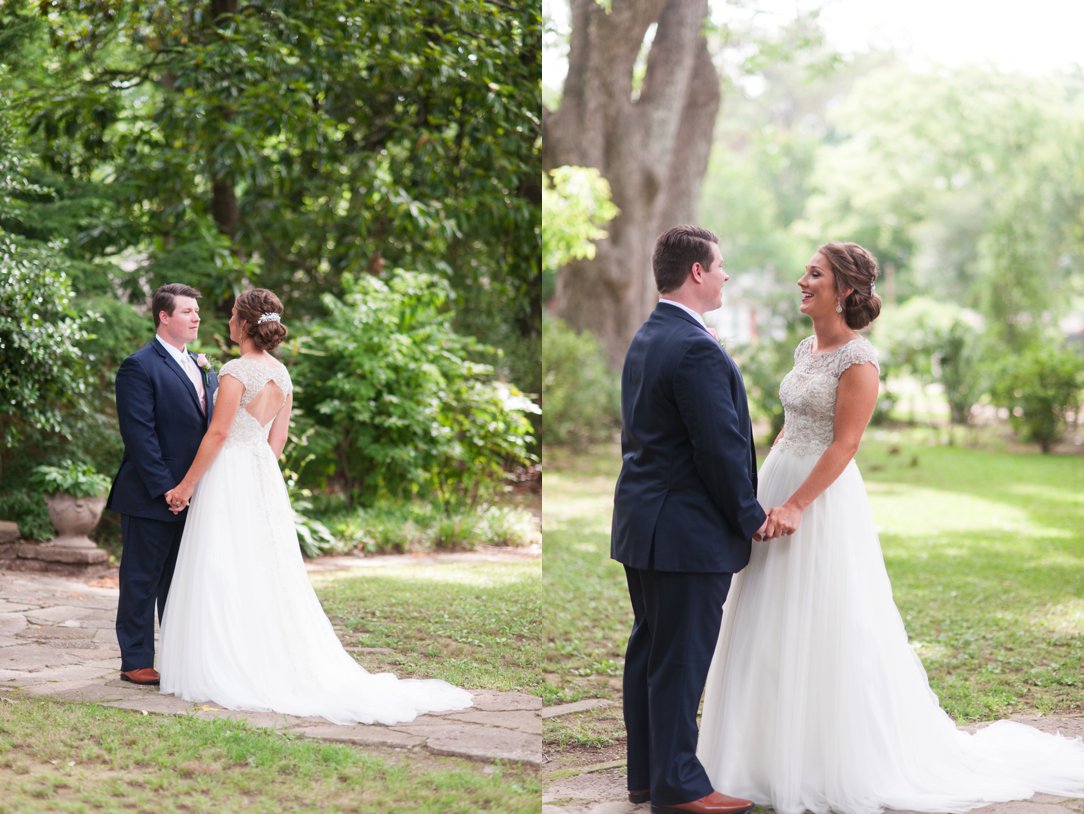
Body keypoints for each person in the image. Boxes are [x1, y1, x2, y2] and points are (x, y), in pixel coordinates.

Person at [697, 242, 1084, 813]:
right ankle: (753, 754)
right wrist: (763, 492)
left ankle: (824, 758)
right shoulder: (807, 348)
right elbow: (790, 425)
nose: (802, 280)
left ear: (844, 290)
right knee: (764, 615)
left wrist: (798, 504)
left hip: (820, 499)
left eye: (815, 274)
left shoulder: (859, 361)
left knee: (823, 619)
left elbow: (846, 444)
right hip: (777, 485)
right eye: (806, 271)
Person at [157, 288, 473, 724]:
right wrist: (259, 479)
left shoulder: (234, 371)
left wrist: (187, 486)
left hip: (228, 474)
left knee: (222, 564)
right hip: (262, 476)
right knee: (264, 567)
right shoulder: (281, 374)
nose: (227, 322)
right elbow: (277, 441)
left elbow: (216, 435)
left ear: (246, 324)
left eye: (232, 315)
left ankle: (230, 661)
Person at [611, 226, 777, 814]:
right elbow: (719, 447)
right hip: (686, 533)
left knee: (652, 651)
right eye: (722, 265)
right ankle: (680, 788)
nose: (727, 274)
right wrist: (749, 515)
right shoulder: (695, 347)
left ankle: (647, 778)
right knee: (678, 659)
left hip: (644, 526)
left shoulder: (649, 335)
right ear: (698, 272)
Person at [108, 283, 217, 686]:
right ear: (164, 317)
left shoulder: (203, 367)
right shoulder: (138, 366)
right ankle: (135, 661)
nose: (195, 317)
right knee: (141, 580)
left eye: (196, 312)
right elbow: (140, 435)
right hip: (150, 495)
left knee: (181, 581)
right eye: (187, 311)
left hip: (195, 493)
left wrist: (191, 488)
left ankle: (177, 658)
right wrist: (167, 489)